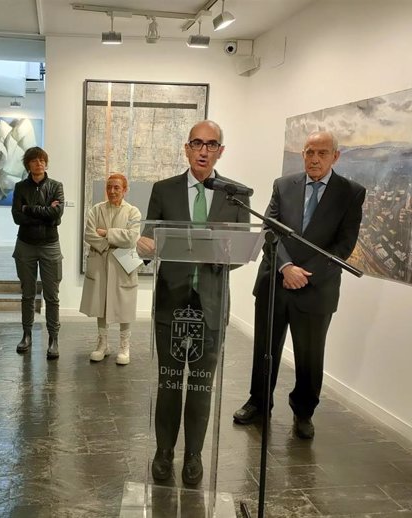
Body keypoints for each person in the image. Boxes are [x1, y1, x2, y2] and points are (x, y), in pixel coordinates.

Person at [136, 120, 250, 485]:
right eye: (197, 143)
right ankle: (164, 451)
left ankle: (194, 455)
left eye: (211, 144)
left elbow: (241, 250)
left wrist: (223, 254)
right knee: (169, 382)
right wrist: (144, 247)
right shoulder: (164, 190)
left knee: (202, 384)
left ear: (220, 151)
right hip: (171, 302)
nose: (204, 150)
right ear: (186, 148)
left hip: (212, 304)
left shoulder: (236, 195)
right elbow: (148, 241)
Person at [233, 130, 366, 439]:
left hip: (317, 288)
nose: (314, 158)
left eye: (321, 153)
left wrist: (304, 273)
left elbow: (343, 245)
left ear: (336, 156)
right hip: (274, 282)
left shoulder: (351, 193)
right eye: (309, 152)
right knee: (265, 349)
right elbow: (269, 230)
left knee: (309, 355)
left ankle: (304, 412)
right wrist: (286, 266)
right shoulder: (283, 186)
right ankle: (258, 402)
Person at [79, 173, 141, 365]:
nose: (112, 191)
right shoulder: (96, 210)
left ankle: (124, 346)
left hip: (125, 262)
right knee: (101, 302)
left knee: (125, 303)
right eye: (109, 187)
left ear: (125, 189)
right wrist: (111, 242)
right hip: (101, 260)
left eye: (116, 187)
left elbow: (132, 238)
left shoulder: (133, 212)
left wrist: (106, 233)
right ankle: (102, 344)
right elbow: (89, 234)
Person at [11, 147, 64, 360]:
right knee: (27, 294)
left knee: (52, 296)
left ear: (46, 163)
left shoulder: (56, 186)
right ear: (28, 164)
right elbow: (17, 216)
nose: (39, 163)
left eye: (42, 160)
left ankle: (53, 338)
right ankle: (26, 334)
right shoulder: (20, 187)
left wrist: (29, 209)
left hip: (50, 244)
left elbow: (57, 214)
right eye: (34, 160)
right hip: (25, 244)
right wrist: (44, 212)